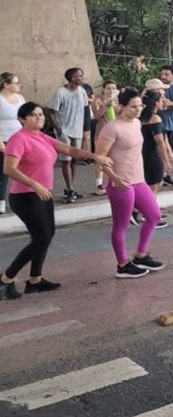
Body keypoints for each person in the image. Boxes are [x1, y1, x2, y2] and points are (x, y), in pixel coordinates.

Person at [0, 102, 112, 299]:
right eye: (33, 115)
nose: (39, 117)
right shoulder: (19, 139)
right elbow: (9, 169)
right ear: (22, 119)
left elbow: (71, 151)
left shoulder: (43, 137)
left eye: (41, 114)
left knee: (46, 236)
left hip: (44, 194)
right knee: (42, 237)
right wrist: (34, 184)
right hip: (25, 196)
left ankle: (35, 280)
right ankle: (6, 279)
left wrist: (95, 156)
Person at [95, 88, 166, 278]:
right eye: (133, 107)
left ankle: (141, 254)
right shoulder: (112, 128)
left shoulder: (136, 123)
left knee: (154, 215)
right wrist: (115, 178)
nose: (138, 110)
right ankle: (122, 264)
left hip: (138, 180)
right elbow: (99, 157)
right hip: (121, 184)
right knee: (122, 225)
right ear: (122, 106)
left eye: (140, 106)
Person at [48, 67, 88, 204]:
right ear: (72, 78)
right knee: (66, 160)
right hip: (64, 131)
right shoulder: (60, 92)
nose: (82, 78)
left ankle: (69, 186)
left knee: (75, 160)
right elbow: (51, 111)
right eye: (79, 76)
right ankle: (70, 188)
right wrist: (58, 129)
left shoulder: (82, 92)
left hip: (77, 130)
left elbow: (85, 109)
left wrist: (85, 129)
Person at [140, 91, 173, 229]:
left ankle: (149, 211)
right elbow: (160, 141)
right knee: (155, 184)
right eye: (161, 99)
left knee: (151, 184)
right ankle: (149, 215)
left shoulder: (142, 117)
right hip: (152, 154)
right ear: (155, 102)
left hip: (143, 153)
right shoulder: (155, 119)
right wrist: (167, 160)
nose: (163, 101)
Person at [0, 72, 26, 214]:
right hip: (4, 139)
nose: (19, 85)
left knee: (22, 169)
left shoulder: (20, 98)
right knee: (4, 172)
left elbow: (25, 117)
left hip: (19, 139)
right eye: (16, 83)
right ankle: (1, 201)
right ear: (6, 85)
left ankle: (21, 197)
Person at [90, 81, 119, 195]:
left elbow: (121, 114)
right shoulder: (98, 101)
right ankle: (99, 184)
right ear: (103, 89)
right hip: (102, 133)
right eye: (108, 88)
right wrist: (106, 106)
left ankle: (114, 181)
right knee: (100, 159)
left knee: (115, 159)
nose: (111, 90)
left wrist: (115, 105)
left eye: (113, 88)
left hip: (115, 133)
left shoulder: (117, 101)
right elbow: (96, 116)